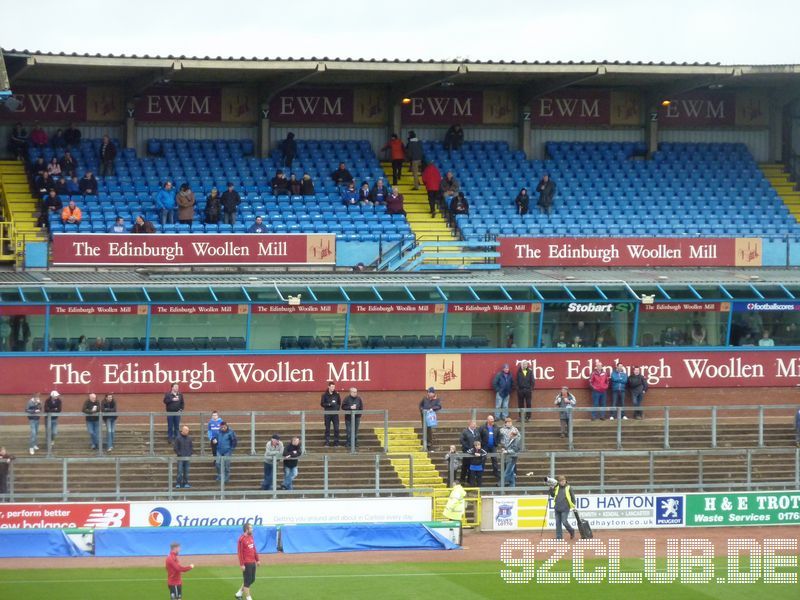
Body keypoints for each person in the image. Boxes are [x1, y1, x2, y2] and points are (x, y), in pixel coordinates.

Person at [236, 523, 260, 600]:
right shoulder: (241, 539)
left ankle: (239, 593)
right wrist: (242, 564)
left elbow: (254, 549)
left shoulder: (251, 537)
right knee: (247, 581)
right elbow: (240, 553)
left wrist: (257, 559)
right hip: (246, 563)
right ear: (247, 529)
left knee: (252, 580)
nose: (252, 529)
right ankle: (248, 597)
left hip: (253, 562)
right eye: (251, 528)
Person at [549, 475, 576, 540]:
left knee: (564, 522)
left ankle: (571, 531)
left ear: (565, 481)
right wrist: (551, 488)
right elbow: (552, 495)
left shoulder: (569, 488)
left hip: (565, 508)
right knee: (558, 523)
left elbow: (573, 498)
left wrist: (573, 506)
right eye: (561, 481)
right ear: (559, 482)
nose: (562, 482)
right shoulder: (557, 487)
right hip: (557, 508)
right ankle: (559, 537)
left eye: (563, 481)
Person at [479, 415, 501, 481]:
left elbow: (499, 436)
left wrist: (497, 443)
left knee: (495, 459)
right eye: (491, 419)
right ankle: (481, 472)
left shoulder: (496, 427)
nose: (492, 420)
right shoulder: (482, 427)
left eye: (493, 419)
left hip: (493, 446)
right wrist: (481, 444)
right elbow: (479, 436)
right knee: (483, 459)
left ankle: (495, 472)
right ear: (487, 420)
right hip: (485, 446)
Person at [320, 381, 341, 447]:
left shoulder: (337, 394)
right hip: (327, 414)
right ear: (328, 387)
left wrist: (337, 409)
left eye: (334, 387)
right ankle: (327, 442)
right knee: (327, 429)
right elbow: (322, 404)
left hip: (335, 414)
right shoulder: (324, 395)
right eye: (331, 387)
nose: (333, 388)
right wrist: (329, 404)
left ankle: (336, 443)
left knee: (336, 428)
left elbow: (339, 403)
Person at [174, 424, 193, 488]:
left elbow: (191, 447)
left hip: (187, 457)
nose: (188, 431)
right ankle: (178, 483)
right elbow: (175, 448)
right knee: (179, 471)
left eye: (188, 430)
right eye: (187, 430)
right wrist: (179, 454)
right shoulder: (178, 438)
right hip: (180, 457)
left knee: (186, 471)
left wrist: (190, 453)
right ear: (183, 430)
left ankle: (186, 483)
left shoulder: (189, 438)